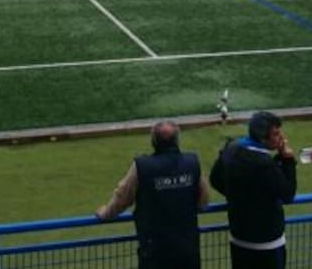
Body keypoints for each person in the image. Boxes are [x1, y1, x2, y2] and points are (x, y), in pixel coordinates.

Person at [95, 121, 209, 269]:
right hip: (187, 248)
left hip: (155, 251)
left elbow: (122, 197)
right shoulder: (192, 162)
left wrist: (105, 214)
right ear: (177, 140)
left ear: (153, 140)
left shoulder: (142, 166)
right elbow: (203, 200)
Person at [209, 111, 298, 269]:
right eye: (276, 134)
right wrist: (288, 160)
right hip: (267, 242)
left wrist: (238, 197)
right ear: (263, 139)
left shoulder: (231, 148)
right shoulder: (264, 164)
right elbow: (288, 194)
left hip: (238, 236)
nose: (281, 137)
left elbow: (215, 180)